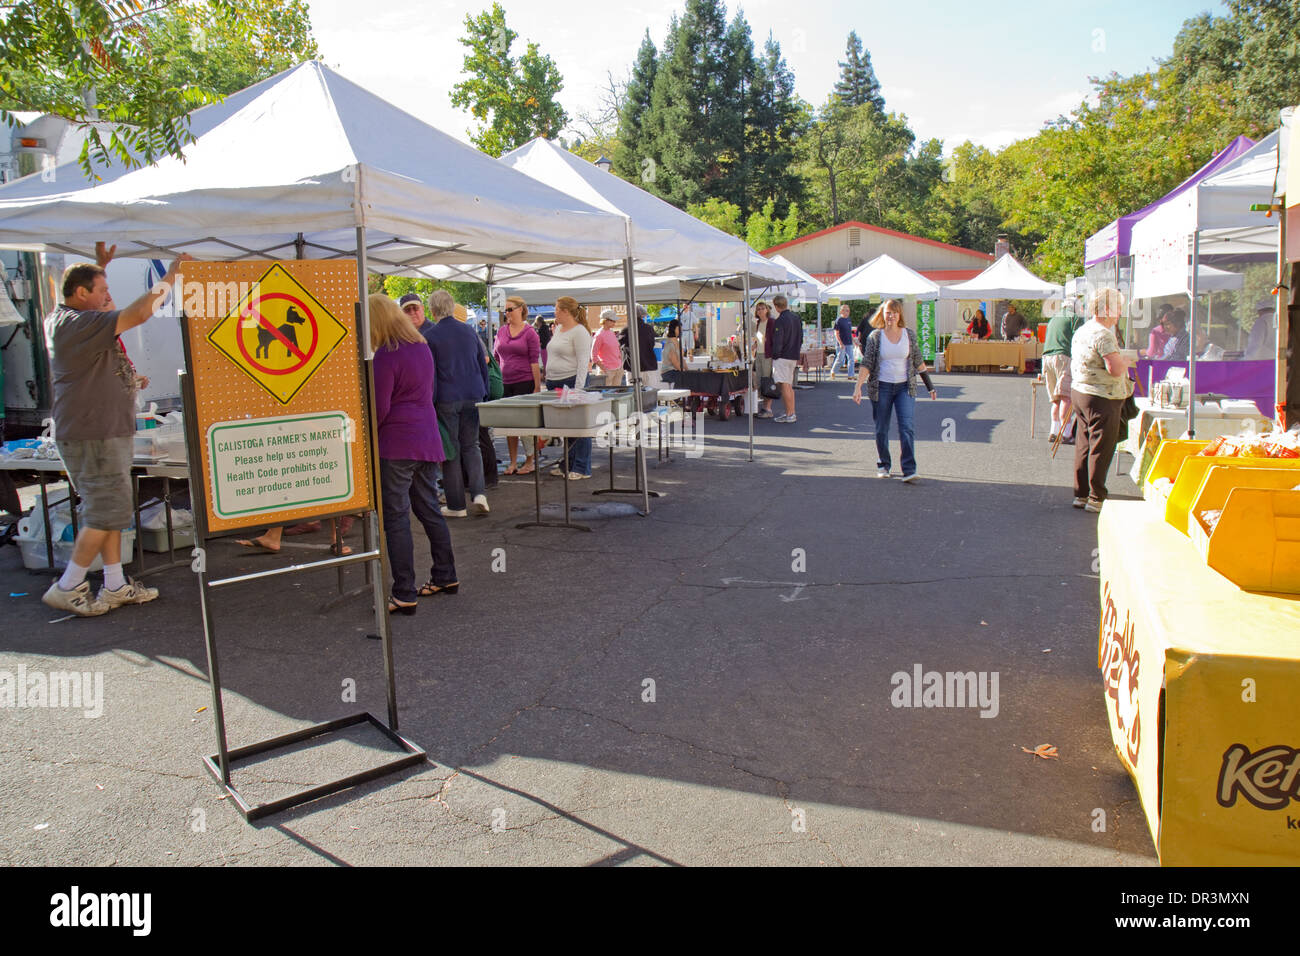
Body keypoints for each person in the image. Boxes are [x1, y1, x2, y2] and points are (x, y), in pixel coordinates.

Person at [40, 242, 191, 617]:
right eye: (103, 292)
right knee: (106, 511)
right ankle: (69, 584)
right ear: (81, 295)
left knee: (106, 510)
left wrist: (98, 267)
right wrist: (172, 275)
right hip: (93, 434)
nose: (109, 298)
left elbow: (85, 289)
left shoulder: (69, 318)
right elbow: (140, 313)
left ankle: (114, 583)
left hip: (98, 431)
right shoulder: (78, 324)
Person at [368, 294, 457, 613]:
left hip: (398, 442)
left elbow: (379, 406)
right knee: (429, 508)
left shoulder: (386, 356)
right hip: (427, 437)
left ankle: (404, 591)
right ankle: (446, 575)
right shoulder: (420, 346)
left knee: (396, 517)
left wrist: (364, 437)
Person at [852, 298, 937, 482]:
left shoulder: (909, 335)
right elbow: (867, 363)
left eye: (894, 312)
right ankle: (883, 464)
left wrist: (930, 386)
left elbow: (918, 361)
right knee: (881, 427)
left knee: (907, 427)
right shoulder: (875, 336)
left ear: (900, 315)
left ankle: (909, 469)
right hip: (881, 386)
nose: (891, 316)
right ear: (882, 314)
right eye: (888, 312)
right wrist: (858, 386)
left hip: (904, 387)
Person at [423, 290, 491, 517]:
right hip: (473, 394)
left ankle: (456, 505)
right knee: (472, 446)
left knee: (450, 450)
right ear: (452, 307)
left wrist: (429, 404)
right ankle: (479, 493)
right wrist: (485, 393)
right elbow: (482, 365)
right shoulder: (470, 332)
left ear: (432, 310)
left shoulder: (431, 337)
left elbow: (430, 375)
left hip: (446, 398)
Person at [1069, 288, 1132, 512]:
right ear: (1106, 309)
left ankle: (1081, 494)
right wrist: (1126, 360)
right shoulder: (1104, 334)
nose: (1119, 314)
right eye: (1117, 309)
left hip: (1081, 392)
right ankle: (1097, 496)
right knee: (1102, 446)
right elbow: (1114, 369)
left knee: (1084, 444)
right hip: (1102, 395)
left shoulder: (1083, 330)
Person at [545, 296, 594, 479]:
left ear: (566, 311)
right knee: (565, 426)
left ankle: (581, 467)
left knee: (579, 426)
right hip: (555, 382)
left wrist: (578, 389)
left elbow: (583, 363)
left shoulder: (580, 332)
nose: (555, 312)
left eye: (557, 309)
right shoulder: (558, 329)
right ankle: (567, 463)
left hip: (571, 381)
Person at [494, 296, 543, 475]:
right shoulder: (501, 331)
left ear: (521, 309)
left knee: (525, 423)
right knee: (509, 424)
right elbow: (496, 356)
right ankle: (513, 461)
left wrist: (537, 387)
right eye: (505, 310)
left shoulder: (530, 333)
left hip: (525, 381)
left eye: (510, 309)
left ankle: (530, 459)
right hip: (505, 382)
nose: (507, 313)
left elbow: (534, 361)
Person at [1041, 300, 1085, 445]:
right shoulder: (1074, 317)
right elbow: (1080, 340)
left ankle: (1054, 431)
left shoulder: (1055, 317)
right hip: (1063, 356)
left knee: (1055, 398)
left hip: (1047, 357)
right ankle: (1065, 433)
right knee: (1066, 396)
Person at [768, 294, 802, 422]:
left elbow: (778, 341)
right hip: (793, 355)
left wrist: (775, 355)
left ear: (776, 306)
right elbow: (801, 337)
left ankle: (790, 414)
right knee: (789, 385)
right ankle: (790, 412)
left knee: (785, 385)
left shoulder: (780, 320)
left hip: (782, 356)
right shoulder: (796, 318)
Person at [621, 304, 659, 387]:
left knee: (633, 395)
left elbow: (619, 345)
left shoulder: (627, 329)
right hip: (649, 365)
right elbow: (652, 344)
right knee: (650, 394)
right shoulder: (649, 328)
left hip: (633, 366)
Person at [752, 301, 776, 419]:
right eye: (758, 309)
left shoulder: (771, 322)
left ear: (767, 310)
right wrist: (755, 345)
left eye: (762, 308)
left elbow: (774, 338)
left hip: (768, 355)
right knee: (759, 381)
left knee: (767, 381)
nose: (760, 311)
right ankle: (764, 407)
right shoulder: (758, 323)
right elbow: (759, 338)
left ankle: (768, 408)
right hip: (759, 354)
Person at [590, 309, 623, 386]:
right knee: (607, 395)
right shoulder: (599, 335)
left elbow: (617, 349)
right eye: (613, 320)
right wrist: (604, 369)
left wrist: (620, 364)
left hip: (618, 368)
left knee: (617, 395)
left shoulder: (611, 332)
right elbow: (593, 356)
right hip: (607, 371)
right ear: (605, 320)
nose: (615, 322)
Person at [829, 304, 856, 379]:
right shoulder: (839, 320)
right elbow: (836, 333)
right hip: (842, 343)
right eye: (845, 310)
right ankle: (833, 371)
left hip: (849, 343)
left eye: (848, 310)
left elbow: (849, 332)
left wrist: (854, 340)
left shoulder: (848, 319)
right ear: (841, 311)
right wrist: (840, 343)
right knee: (840, 360)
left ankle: (851, 375)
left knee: (851, 359)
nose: (847, 312)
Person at [659, 318, 685, 384]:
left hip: (676, 371)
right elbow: (674, 362)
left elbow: (682, 360)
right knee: (686, 379)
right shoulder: (670, 343)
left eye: (681, 328)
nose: (681, 330)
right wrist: (684, 372)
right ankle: (681, 394)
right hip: (668, 372)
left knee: (692, 377)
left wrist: (689, 371)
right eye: (678, 328)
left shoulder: (678, 342)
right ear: (673, 329)